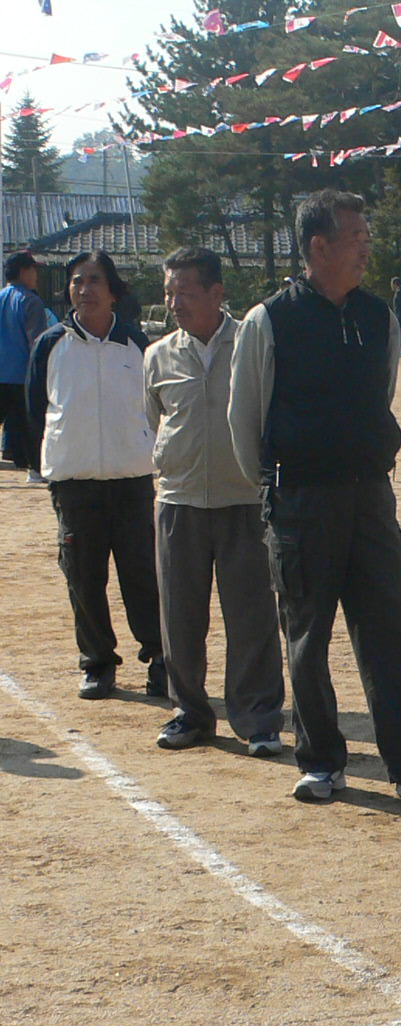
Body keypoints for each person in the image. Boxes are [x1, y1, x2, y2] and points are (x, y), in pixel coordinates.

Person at [229, 189, 401, 803]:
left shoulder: (380, 317)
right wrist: (274, 485)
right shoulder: (270, 319)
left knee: (391, 628)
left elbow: (384, 397)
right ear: (319, 246)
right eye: (357, 236)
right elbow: (244, 418)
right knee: (307, 635)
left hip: (370, 499)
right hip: (301, 502)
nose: (367, 246)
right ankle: (321, 760)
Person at [143, 247, 284, 754]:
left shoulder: (252, 342)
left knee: (252, 617)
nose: (173, 302)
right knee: (180, 617)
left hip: (244, 499)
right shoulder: (157, 354)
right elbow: (153, 419)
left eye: (185, 291)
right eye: (168, 292)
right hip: (179, 501)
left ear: (216, 293)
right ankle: (190, 713)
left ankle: (259, 719)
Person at [25, 251, 165, 700]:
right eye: (76, 281)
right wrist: (56, 460)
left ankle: (160, 656)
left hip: (131, 480)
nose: (84, 290)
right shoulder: (51, 344)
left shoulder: (138, 345)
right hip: (75, 481)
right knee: (83, 576)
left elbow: (158, 409)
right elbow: (34, 411)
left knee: (142, 575)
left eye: (94, 281)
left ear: (113, 291)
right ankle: (97, 662)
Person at [1, 251, 51, 483]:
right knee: (32, 424)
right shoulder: (31, 301)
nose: (36, 275)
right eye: (33, 269)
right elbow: (37, 342)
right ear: (23, 271)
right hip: (22, 374)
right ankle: (34, 469)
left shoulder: (1, 297)